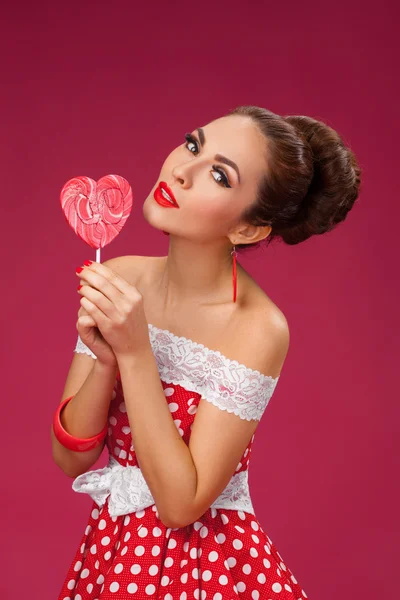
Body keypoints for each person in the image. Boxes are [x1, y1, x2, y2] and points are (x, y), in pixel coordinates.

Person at [52, 105, 362, 599]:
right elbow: (70, 460)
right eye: (193, 145)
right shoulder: (125, 276)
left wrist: (134, 354)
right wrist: (107, 360)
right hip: (112, 554)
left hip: (206, 568)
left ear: (248, 229)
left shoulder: (258, 327)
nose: (181, 169)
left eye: (219, 174)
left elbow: (181, 506)